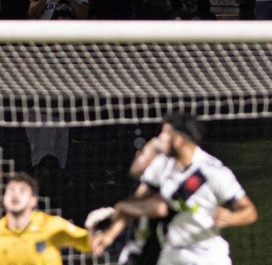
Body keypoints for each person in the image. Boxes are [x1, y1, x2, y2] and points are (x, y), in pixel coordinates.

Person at [92, 112, 257, 264]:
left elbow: (249, 212)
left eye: (164, 135)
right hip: (172, 255)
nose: (159, 139)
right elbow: (137, 202)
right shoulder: (161, 165)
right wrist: (109, 235)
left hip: (208, 256)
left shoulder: (214, 173)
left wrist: (231, 217)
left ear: (177, 140)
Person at [0, 172, 92, 265]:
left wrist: (100, 227)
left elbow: (91, 243)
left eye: (22, 191)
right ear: (3, 198)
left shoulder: (51, 225)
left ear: (33, 201)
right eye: (11, 190)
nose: (15, 194)